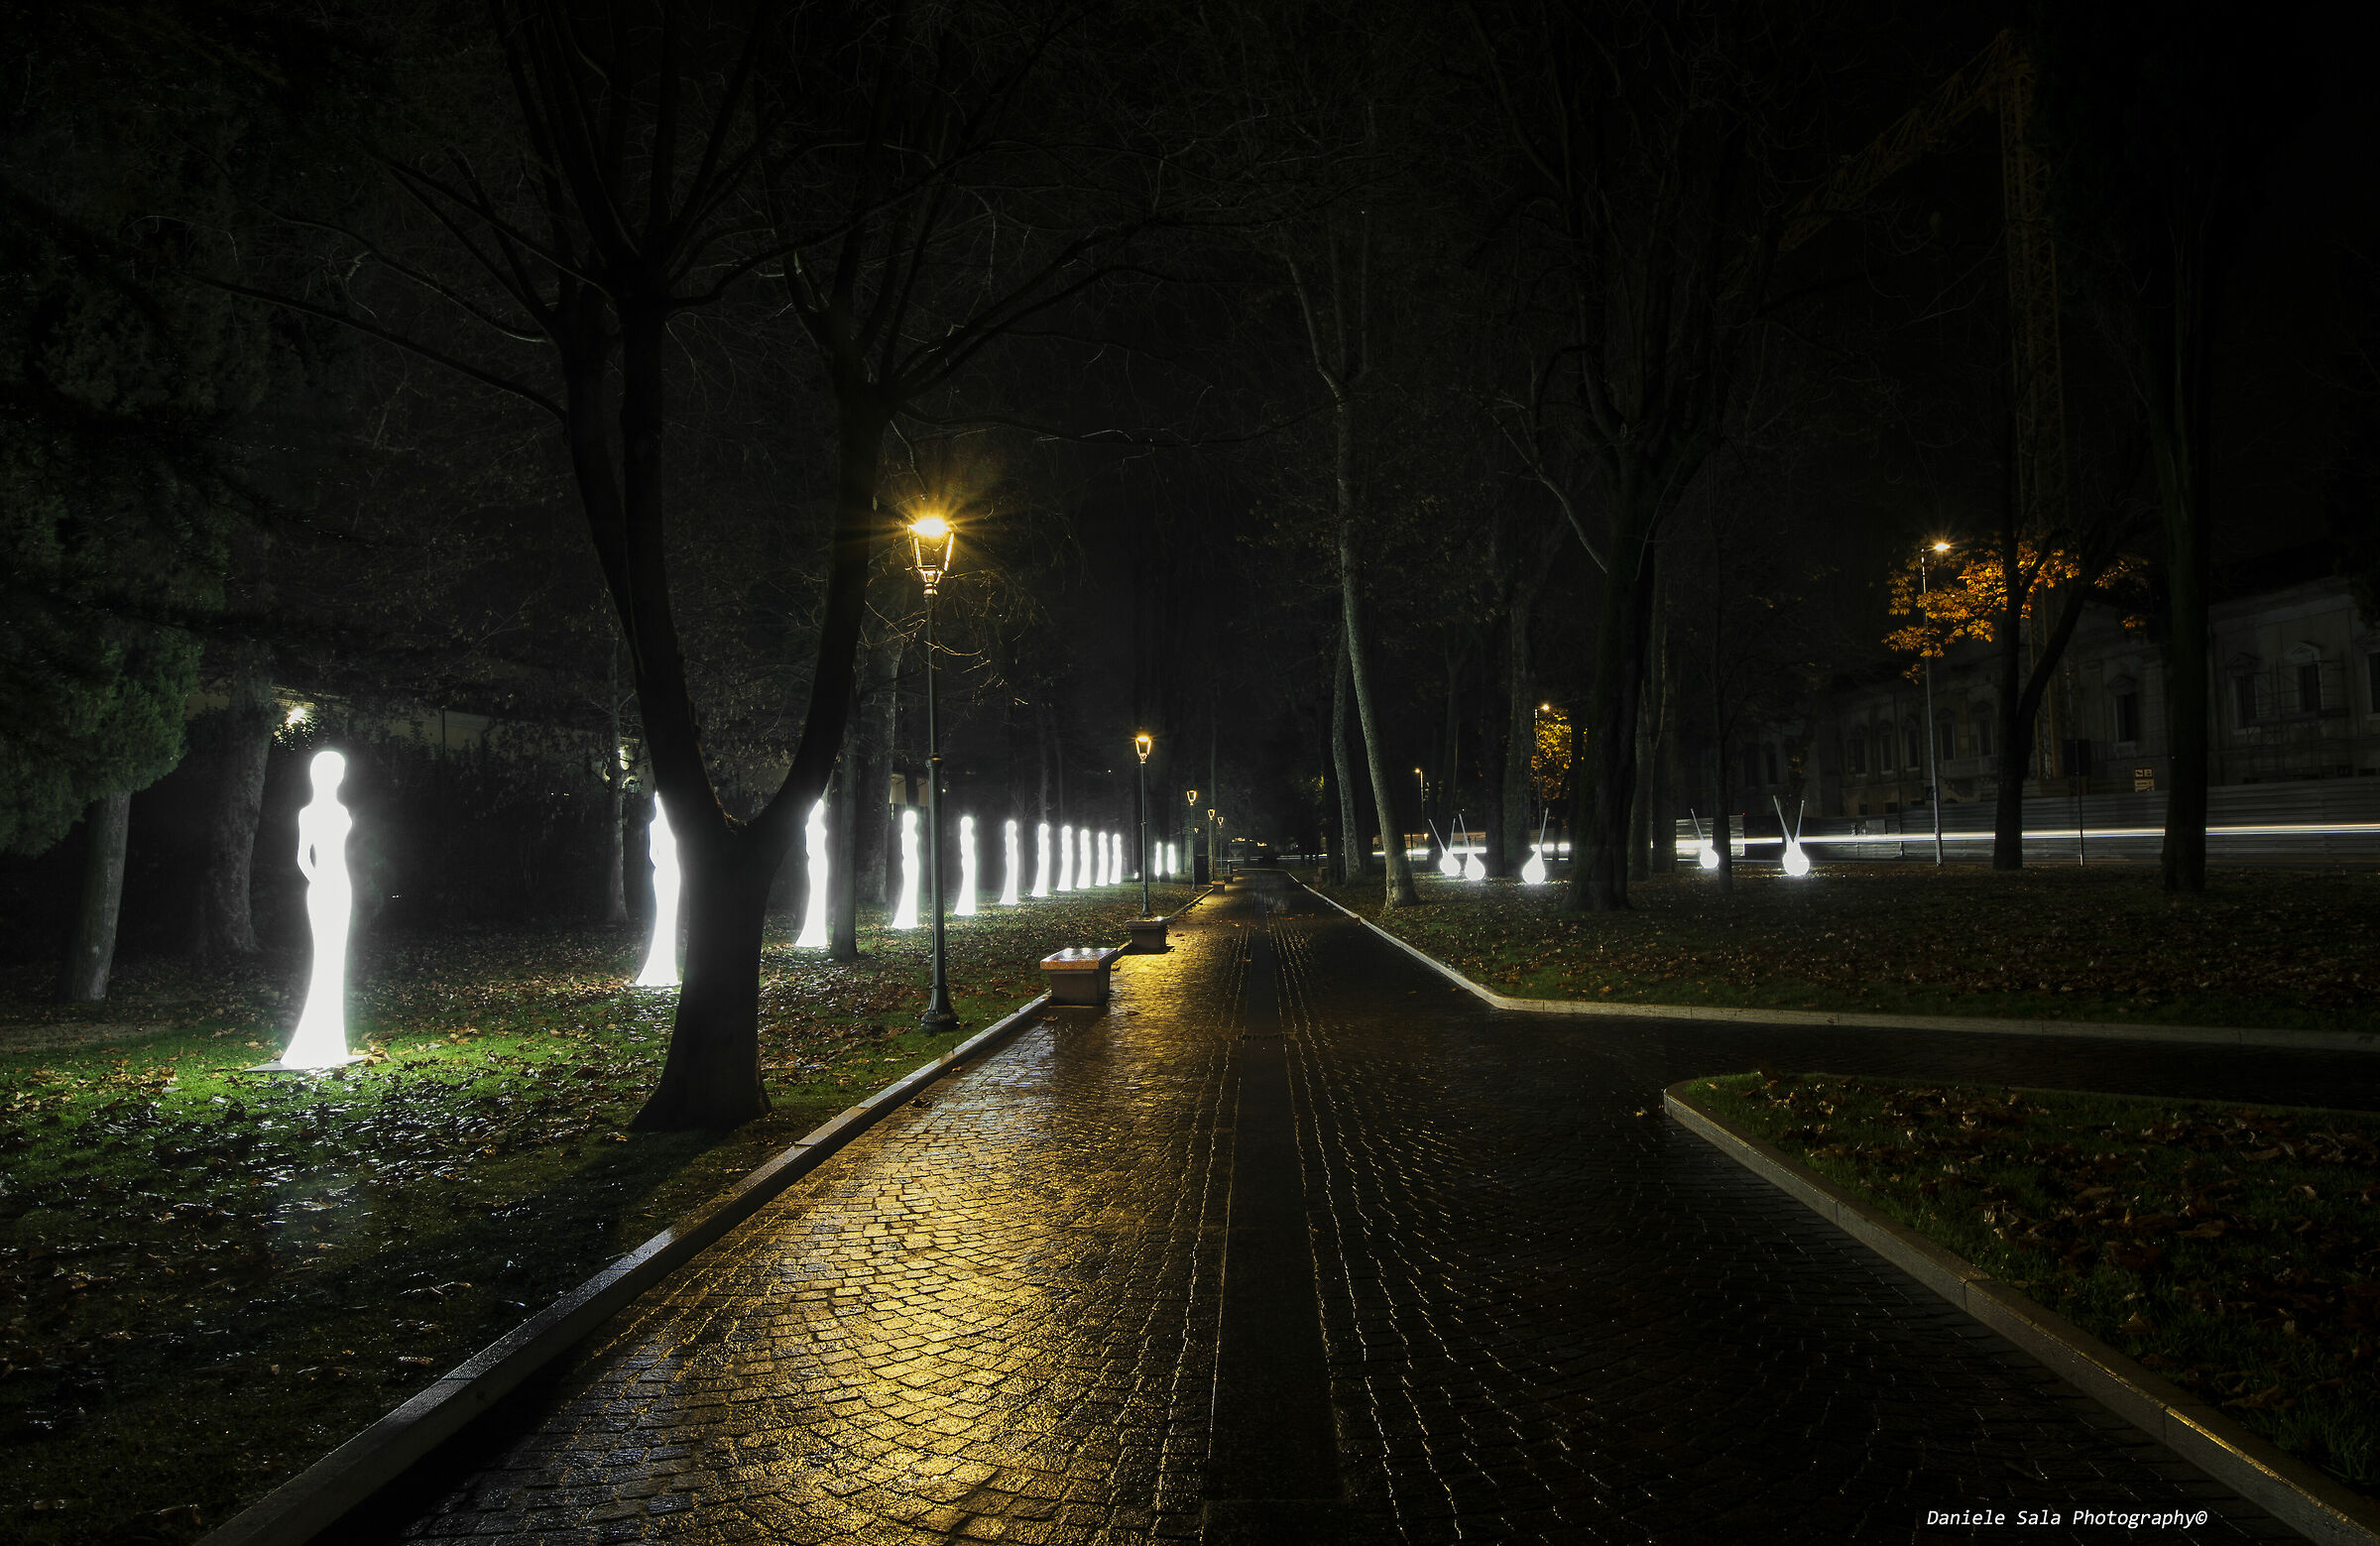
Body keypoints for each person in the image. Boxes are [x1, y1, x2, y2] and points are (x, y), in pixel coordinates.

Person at [283, 750, 355, 1067]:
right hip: (322, 886)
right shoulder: (308, 813)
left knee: (336, 963)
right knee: (325, 959)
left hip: (343, 885)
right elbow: (301, 857)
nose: (338, 777)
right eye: (333, 771)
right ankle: (311, 1042)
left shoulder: (341, 809)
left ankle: (331, 1039)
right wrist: (319, 880)